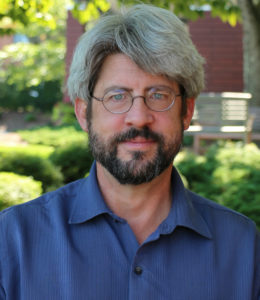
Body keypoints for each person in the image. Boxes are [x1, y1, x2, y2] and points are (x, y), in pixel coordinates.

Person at [0, 4, 259, 299]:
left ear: (187, 111)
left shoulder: (242, 247)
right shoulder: (13, 240)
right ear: (84, 113)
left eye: (158, 95)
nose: (138, 117)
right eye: (117, 96)